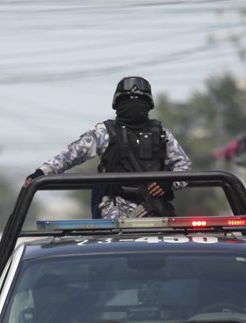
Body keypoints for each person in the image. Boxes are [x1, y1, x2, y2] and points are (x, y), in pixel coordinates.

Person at [25, 76, 191, 220]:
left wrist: (168, 182)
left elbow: (184, 168)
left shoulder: (162, 135)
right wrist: (41, 173)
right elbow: (70, 156)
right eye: (128, 100)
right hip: (115, 217)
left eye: (139, 100)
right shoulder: (104, 133)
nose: (134, 105)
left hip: (157, 214)